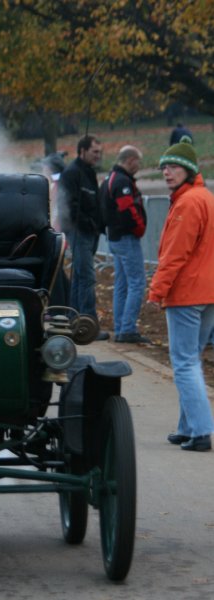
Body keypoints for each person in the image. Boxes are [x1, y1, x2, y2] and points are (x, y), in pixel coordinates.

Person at [148, 141, 214, 452]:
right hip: (207, 292)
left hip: (187, 292)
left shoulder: (187, 203)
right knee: (192, 360)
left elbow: (175, 255)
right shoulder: (205, 197)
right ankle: (187, 427)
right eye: (163, 166)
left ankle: (200, 431)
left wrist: (156, 290)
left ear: (188, 170)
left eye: (172, 166)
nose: (166, 171)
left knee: (185, 363)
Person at [58, 134, 109, 340]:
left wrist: (98, 226)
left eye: (100, 152)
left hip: (90, 232)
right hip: (78, 231)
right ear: (82, 151)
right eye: (94, 152)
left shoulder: (89, 172)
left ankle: (75, 321)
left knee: (79, 277)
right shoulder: (72, 173)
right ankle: (89, 324)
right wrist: (86, 224)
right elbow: (69, 205)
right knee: (87, 277)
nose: (98, 156)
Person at [100, 145, 150, 344]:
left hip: (114, 237)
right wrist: (139, 228)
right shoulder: (122, 182)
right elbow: (127, 210)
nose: (139, 165)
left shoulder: (108, 179)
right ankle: (128, 328)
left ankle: (121, 327)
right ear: (130, 160)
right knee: (137, 283)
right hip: (126, 237)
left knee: (121, 284)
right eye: (138, 161)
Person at [42, 152, 66, 231]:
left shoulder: (56, 185)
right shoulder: (60, 181)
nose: (43, 170)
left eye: (45, 168)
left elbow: (54, 212)